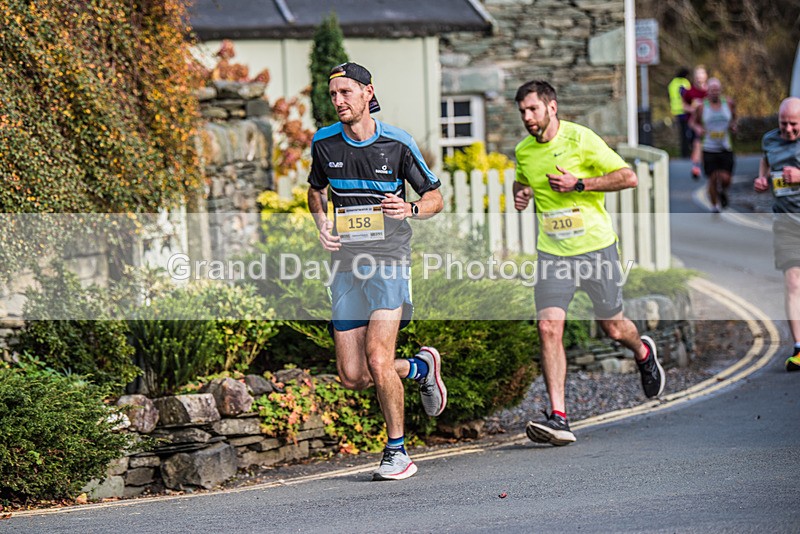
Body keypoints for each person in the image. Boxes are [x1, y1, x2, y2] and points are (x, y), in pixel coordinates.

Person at [307, 62, 447, 480]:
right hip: (345, 264)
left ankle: (397, 452)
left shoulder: (398, 144)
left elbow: (435, 197)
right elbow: (315, 191)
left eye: (346, 92)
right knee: (353, 375)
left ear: (369, 93)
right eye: (333, 95)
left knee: (377, 357)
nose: (338, 101)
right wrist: (322, 224)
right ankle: (421, 368)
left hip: (389, 259)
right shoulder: (324, 143)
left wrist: (410, 208)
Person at [512, 80, 665, 446]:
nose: (527, 118)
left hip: (596, 248)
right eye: (522, 112)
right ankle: (559, 417)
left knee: (613, 327)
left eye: (532, 109)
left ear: (552, 107)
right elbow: (523, 182)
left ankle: (642, 351)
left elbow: (628, 177)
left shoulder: (582, 139)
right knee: (549, 327)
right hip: (552, 252)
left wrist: (580, 184)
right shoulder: (523, 151)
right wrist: (521, 194)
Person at [753, 97, 800, 372]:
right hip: (786, 222)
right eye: (784, 124)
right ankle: (798, 347)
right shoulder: (769, 140)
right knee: (793, 282)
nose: (789, 130)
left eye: (794, 125)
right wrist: (762, 179)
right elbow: (766, 164)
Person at [689, 78, 737, 213]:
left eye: (717, 90)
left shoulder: (728, 103)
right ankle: (715, 205)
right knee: (713, 177)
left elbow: (734, 118)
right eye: (712, 90)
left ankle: (722, 190)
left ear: (720, 91)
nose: (715, 93)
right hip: (709, 147)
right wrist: (698, 128)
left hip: (725, 146)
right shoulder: (701, 107)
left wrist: (733, 126)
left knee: (726, 178)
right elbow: (692, 122)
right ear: (707, 91)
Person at [683, 65, 709, 179]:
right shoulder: (690, 92)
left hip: (708, 123)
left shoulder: (710, 91)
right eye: (697, 75)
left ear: (706, 76)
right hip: (694, 123)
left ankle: (705, 166)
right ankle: (696, 167)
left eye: (701, 74)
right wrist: (693, 109)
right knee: (697, 144)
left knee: (706, 146)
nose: (699, 77)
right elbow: (683, 105)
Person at [668, 67, 693, 158]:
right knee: (688, 133)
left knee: (682, 134)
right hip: (685, 111)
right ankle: (689, 152)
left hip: (676, 111)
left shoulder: (673, 83)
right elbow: (688, 95)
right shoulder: (684, 82)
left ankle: (684, 153)